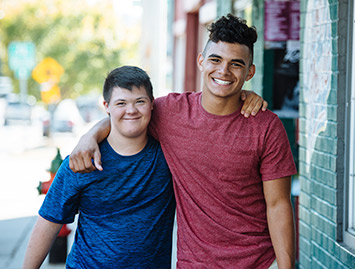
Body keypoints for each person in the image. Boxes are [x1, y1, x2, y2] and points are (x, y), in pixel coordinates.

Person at [70, 14, 297, 268]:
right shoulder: (171, 113)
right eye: (215, 59)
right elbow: (129, 115)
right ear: (201, 61)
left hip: (258, 262)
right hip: (193, 263)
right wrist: (90, 136)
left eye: (236, 64)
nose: (223, 71)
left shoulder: (266, 126)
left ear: (249, 72)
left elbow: (278, 205)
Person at [23, 66, 176, 268]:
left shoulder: (170, 158)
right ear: (107, 106)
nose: (131, 110)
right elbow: (49, 221)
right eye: (121, 103)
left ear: (152, 104)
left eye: (140, 102)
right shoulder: (81, 160)